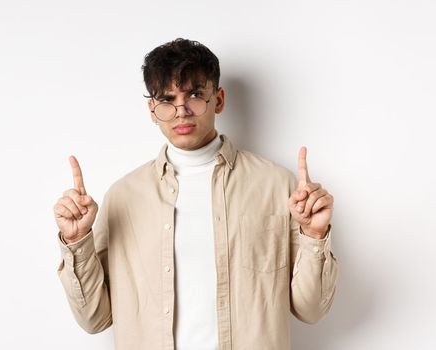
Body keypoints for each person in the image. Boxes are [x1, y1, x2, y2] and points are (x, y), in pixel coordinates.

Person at [53, 38, 339, 350]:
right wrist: (77, 241)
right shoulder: (123, 197)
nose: (181, 111)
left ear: (218, 99)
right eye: (167, 99)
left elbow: (311, 310)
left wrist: (314, 233)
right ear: (152, 110)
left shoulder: (277, 186)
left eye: (194, 95)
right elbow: (94, 319)